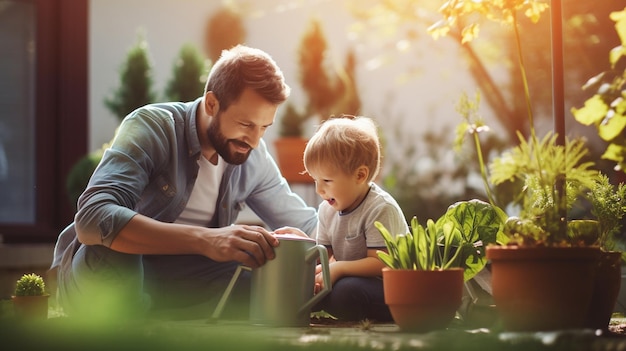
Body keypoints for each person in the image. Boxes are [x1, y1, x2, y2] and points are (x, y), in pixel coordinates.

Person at [50, 45, 317, 320]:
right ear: (212, 103)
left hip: (179, 279)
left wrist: (347, 234)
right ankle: (128, 321)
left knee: (270, 284)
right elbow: (93, 217)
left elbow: (307, 224)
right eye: (246, 124)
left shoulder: (252, 155)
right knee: (114, 248)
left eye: (264, 127)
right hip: (109, 270)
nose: (255, 140)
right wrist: (205, 240)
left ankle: (154, 316)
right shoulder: (151, 126)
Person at [297, 115, 409, 322]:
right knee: (302, 286)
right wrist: (311, 277)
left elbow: (382, 264)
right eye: (315, 180)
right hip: (352, 280)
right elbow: (323, 256)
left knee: (346, 292)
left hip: (392, 288)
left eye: (327, 180)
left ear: (360, 176)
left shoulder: (379, 208)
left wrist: (338, 268)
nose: (319, 189)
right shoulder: (326, 210)